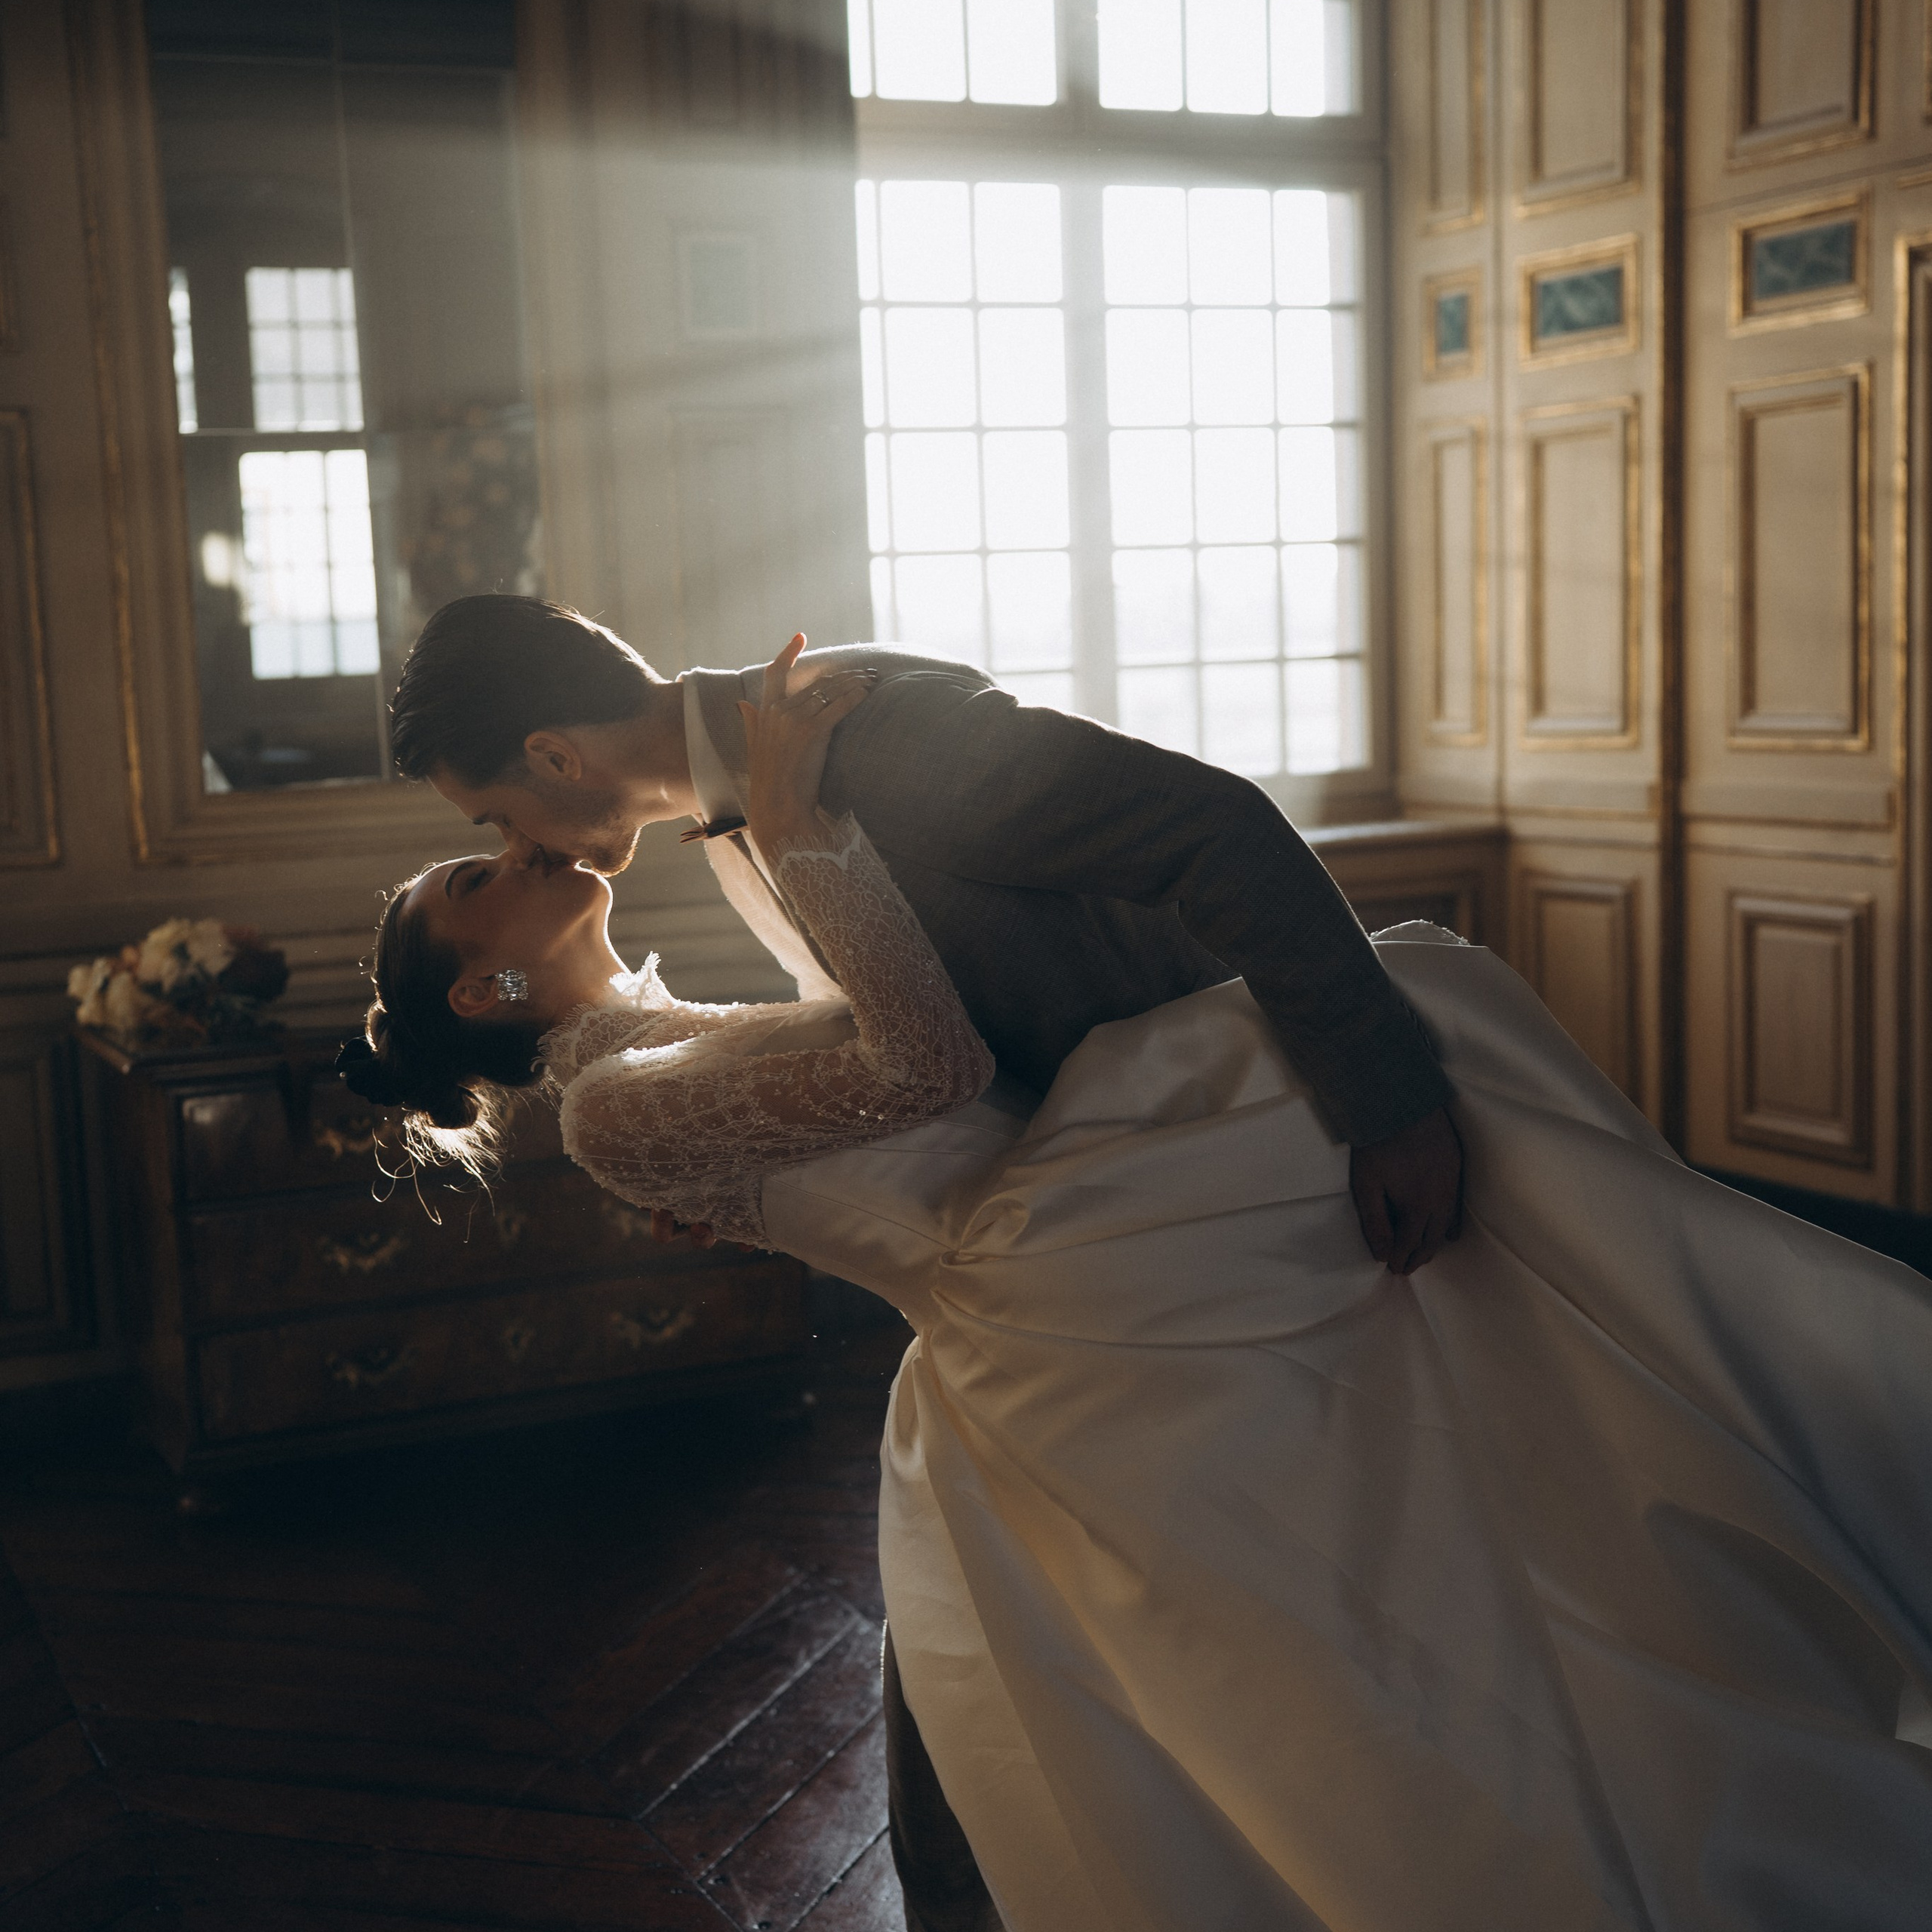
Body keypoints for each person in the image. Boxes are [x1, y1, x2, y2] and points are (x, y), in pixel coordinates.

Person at [348, 637, 1932, 1930]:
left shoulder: (849, 744)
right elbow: (869, 1059)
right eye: (481, 861)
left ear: (554, 755)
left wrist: (1379, 1092)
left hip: (1179, 1197)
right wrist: (739, 1170)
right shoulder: (747, 824)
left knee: (1401, 1574)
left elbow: (1206, 833)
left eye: (486, 813)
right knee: (1224, 1659)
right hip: (1065, 1277)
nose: (512, 843)